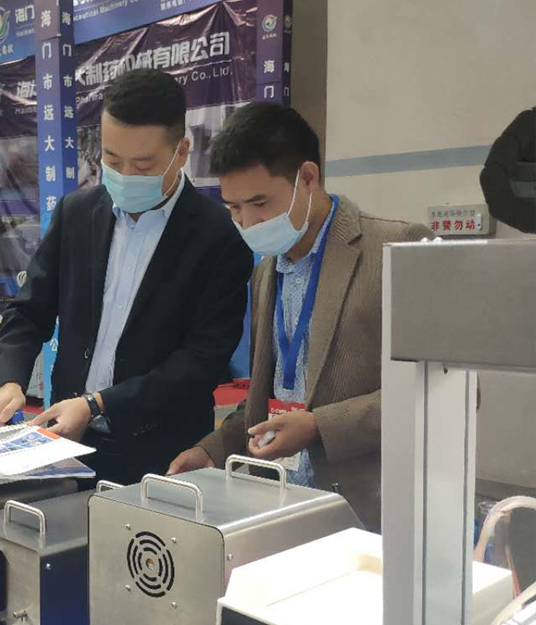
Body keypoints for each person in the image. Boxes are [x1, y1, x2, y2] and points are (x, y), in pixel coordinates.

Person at [167, 103, 433, 531]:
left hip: (370, 511)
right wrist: (214, 449)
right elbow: (270, 395)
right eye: (233, 208)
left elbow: (443, 394)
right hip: (280, 503)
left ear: (307, 178)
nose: (247, 222)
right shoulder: (266, 270)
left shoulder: (396, 249)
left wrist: (319, 426)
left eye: (259, 203)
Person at [0, 69, 254, 485]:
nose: (125, 175)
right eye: (112, 160)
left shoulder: (219, 235)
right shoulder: (77, 214)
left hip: (163, 453)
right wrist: (10, 381)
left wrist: (98, 403)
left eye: (143, 164)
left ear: (182, 151)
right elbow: (28, 311)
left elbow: (201, 361)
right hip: (67, 442)